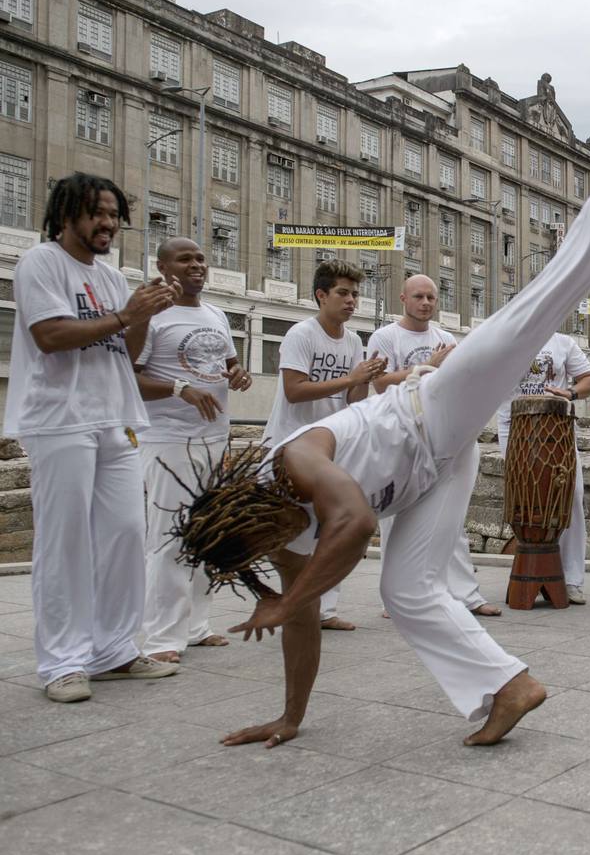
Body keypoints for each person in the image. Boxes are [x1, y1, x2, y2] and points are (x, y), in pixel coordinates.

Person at [168, 139, 590, 748]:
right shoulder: (280, 539)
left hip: (431, 408)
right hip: (435, 470)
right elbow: (300, 622)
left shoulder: (291, 464)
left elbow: (352, 526)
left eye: (256, 550)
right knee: (405, 592)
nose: (270, 554)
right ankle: (512, 685)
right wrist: (290, 716)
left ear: (247, 514)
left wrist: (290, 596)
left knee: (525, 316)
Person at [3, 173, 180, 702]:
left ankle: (114, 651)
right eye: (96, 213)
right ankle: (62, 662)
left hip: (113, 416)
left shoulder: (108, 277)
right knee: (66, 541)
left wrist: (143, 315)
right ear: (65, 216)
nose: (108, 223)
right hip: (60, 418)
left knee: (126, 533)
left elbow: (122, 351)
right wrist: (127, 313)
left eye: (112, 214)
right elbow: (51, 335)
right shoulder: (41, 263)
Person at [135, 237, 253, 663]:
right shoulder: (152, 316)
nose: (197, 265)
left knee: (209, 533)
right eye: (185, 259)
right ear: (164, 266)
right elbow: (131, 379)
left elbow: (228, 364)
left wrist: (238, 375)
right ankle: (162, 638)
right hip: (168, 439)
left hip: (214, 438)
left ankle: (197, 626)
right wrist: (179, 388)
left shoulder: (217, 313)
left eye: (200, 258)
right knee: (168, 538)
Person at [263, 259, 387, 630]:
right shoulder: (301, 334)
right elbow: (294, 390)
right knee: (293, 533)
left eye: (355, 294)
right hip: (291, 447)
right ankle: (295, 605)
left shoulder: (352, 340)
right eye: (343, 293)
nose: (351, 301)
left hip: (330, 450)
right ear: (321, 295)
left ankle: (324, 610)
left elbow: (353, 400)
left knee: (332, 529)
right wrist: (350, 377)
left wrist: (364, 378)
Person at [367, 275, 500, 618]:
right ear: (403, 298)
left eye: (431, 297)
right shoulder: (385, 336)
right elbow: (380, 383)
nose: (425, 303)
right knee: (394, 518)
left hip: (442, 434)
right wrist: (428, 367)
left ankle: (466, 594)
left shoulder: (445, 338)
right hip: (402, 433)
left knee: (450, 519)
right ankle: (392, 599)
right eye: (418, 297)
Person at [496, 332, 590, 605]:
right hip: (515, 428)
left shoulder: (563, 342)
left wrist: (571, 392)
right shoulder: (505, 338)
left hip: (557, 429)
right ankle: (533, 572)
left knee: (571, 496)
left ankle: (573, 579)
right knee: (524, 501)